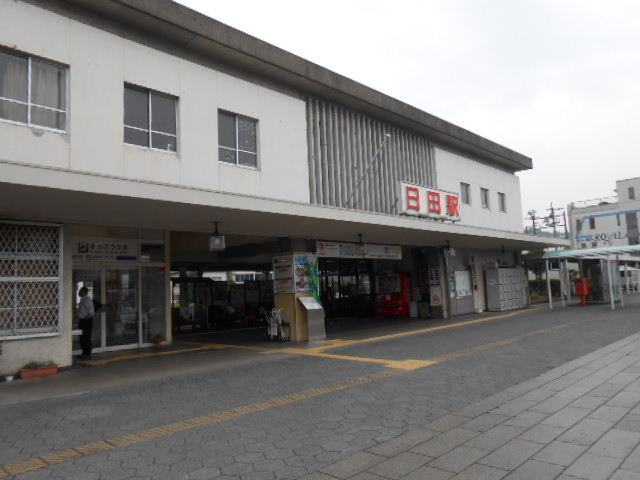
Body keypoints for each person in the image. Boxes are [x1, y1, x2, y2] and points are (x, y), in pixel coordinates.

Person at [77, 286, 95, 359]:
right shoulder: (82, 300)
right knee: (82, 338)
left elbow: (91, 312)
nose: (79, 293)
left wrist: (86, 318)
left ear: (84, 292)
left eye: (80, 291)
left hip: (86, 321)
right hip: (82, 321)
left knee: (86, 337)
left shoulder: (87, 300)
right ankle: (84, 352)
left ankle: (87, 353)